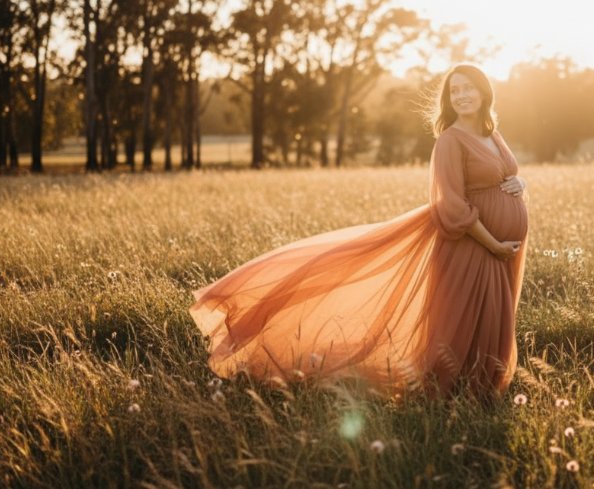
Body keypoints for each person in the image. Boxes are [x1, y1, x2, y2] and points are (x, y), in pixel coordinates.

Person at [189, 64, 528, 398]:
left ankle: (481, 392)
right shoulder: (450, 141)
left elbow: (500, 176)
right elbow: (452, 206)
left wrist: (517, 181)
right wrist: (494, 243)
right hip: (471, 246)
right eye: (455, 90)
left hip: (499, 248)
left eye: (468, 87)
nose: (462, 95)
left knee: (492, 319)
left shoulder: (490, 133)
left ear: (484, 91)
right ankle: (448, 398)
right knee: (462, 325)